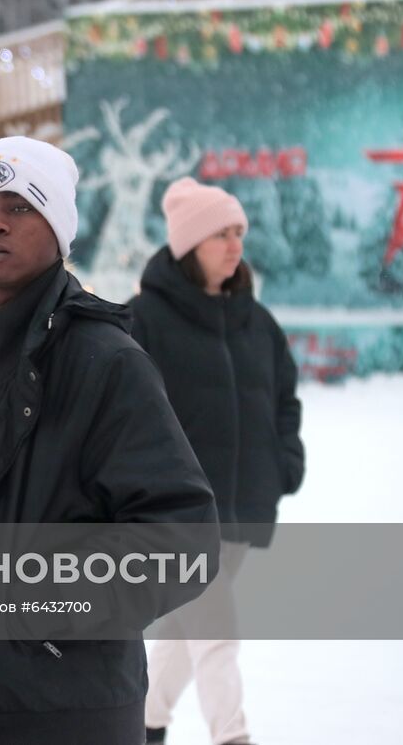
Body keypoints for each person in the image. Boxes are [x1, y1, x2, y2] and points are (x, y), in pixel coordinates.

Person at [0, 137, 220, 745]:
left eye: (19, 208)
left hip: (67, 714)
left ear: (58, 228)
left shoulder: (106, 360)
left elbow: (183, 539)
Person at [129, 177, 305, 745]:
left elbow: (284, 398)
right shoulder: (144, 320)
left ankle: (146, 723)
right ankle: (232, 735)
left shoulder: (257, 322)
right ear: (187, 246)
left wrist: (285, 460)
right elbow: (124, 410)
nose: (234, 245)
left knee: (191, 628)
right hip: (180, 512)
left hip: (245, 507)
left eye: (238, 233)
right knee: (217, 632)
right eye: (219, 235)